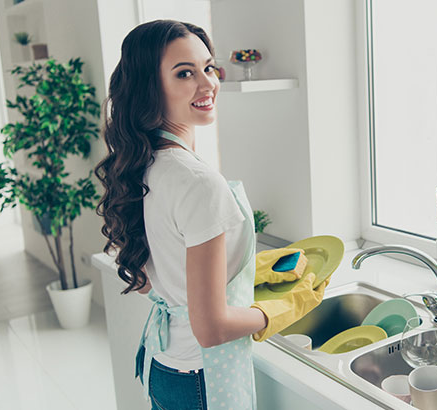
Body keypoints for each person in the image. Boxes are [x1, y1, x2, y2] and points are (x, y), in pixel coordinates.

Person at [94, 20, 327, 410]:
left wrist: (256, 269)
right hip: (203, 379)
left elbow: (151, 282)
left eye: (208, 67)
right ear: (150, 88)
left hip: (164, 365)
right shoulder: (198, 182)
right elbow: (212, 328)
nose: (208, 84)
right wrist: (283, 307)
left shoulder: (142, 165)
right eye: (184, 73)